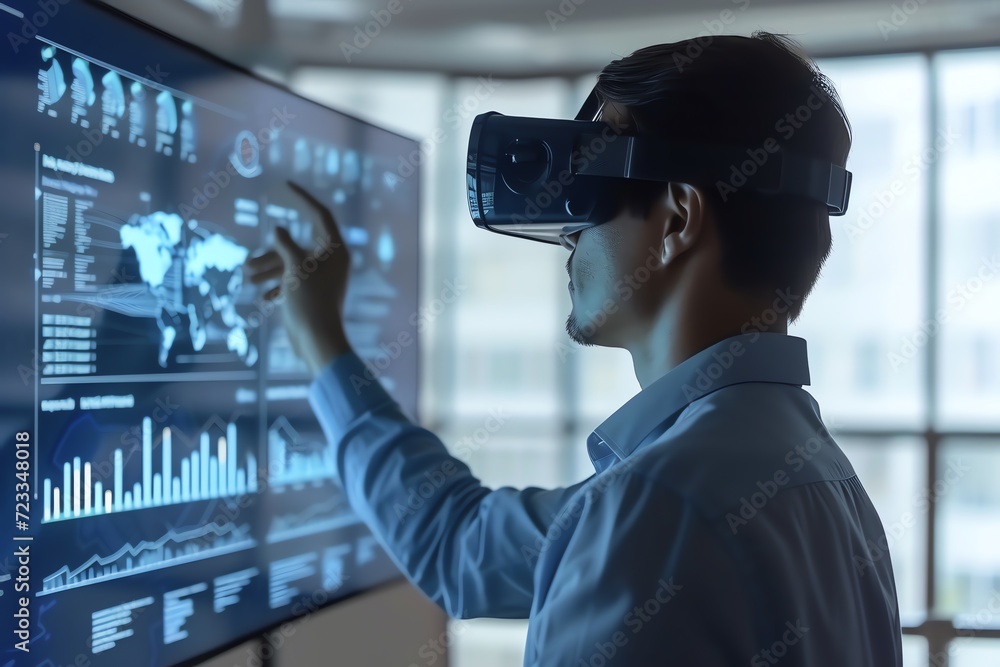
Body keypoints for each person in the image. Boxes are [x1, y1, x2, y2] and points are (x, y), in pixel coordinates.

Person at [245, 31, 902, 666]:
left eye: (590, 184)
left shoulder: (653, 508)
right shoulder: (825, 481)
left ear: (675, 219)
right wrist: (324, 343)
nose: (566, 233)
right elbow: (459, 543)